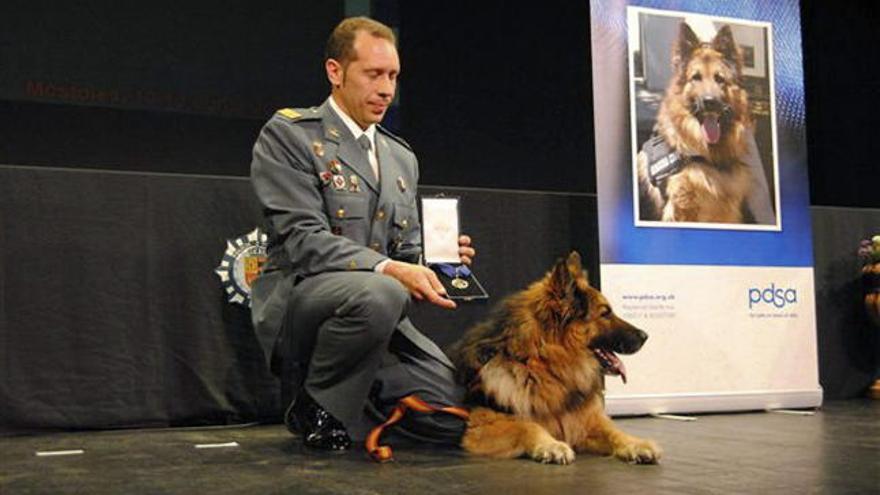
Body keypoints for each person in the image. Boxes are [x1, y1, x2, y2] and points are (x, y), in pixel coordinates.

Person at [249, 16, 475, 451]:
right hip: (304, 305)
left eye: (392, 76)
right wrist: (392, 270)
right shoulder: (290, 135)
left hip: (376, 315)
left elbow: (403, 250)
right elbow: (304, 241)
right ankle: (315, 404)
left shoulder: (400, 156)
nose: (387, 89)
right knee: (383, 292)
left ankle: (357, 399)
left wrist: (436, 261)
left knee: (457, 418)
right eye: (373, 74)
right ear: (335, 72)